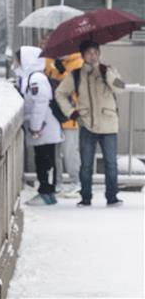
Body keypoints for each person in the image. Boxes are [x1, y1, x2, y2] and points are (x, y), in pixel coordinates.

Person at [55, 40, 127, 207]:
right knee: (86, 164)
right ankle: (85, 197)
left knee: (111, 162)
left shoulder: (109, 69)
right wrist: (72, 113)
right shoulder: (76, 74)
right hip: (86, 123)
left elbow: (121, 87)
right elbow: (60, 93)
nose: (92, 55)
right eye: (89, 53)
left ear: (99, 53)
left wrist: (108, 74)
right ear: (83, 56)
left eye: (95, 52)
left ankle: (112, 197)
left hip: (109, 124)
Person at [17, 46, 62, 205]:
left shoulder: (36, 78)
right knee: (44, 160)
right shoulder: (34, 77)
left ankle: (46, 192)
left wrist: (35, 127)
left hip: (43, 128)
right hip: (44, 127)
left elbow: (40, 104)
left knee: (44, 161)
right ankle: (47, 193)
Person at [45, 52, 83, 196]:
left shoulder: (78, 62)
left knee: (70, 152)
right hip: (54, 115)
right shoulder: (50, 61)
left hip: (70, 116)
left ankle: (76, 182)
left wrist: (62, 72)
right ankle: (57, 182)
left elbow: (77, 87)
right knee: (55, 153)